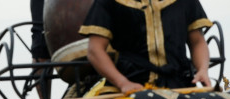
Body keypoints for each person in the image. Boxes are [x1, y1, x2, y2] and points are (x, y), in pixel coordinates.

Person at [80, 0, 212, 93]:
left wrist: (202, 70)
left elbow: (197, 42)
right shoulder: (109, 2)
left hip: (180, 85)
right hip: (126, 85)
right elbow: (95, 50)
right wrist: (123, 83)